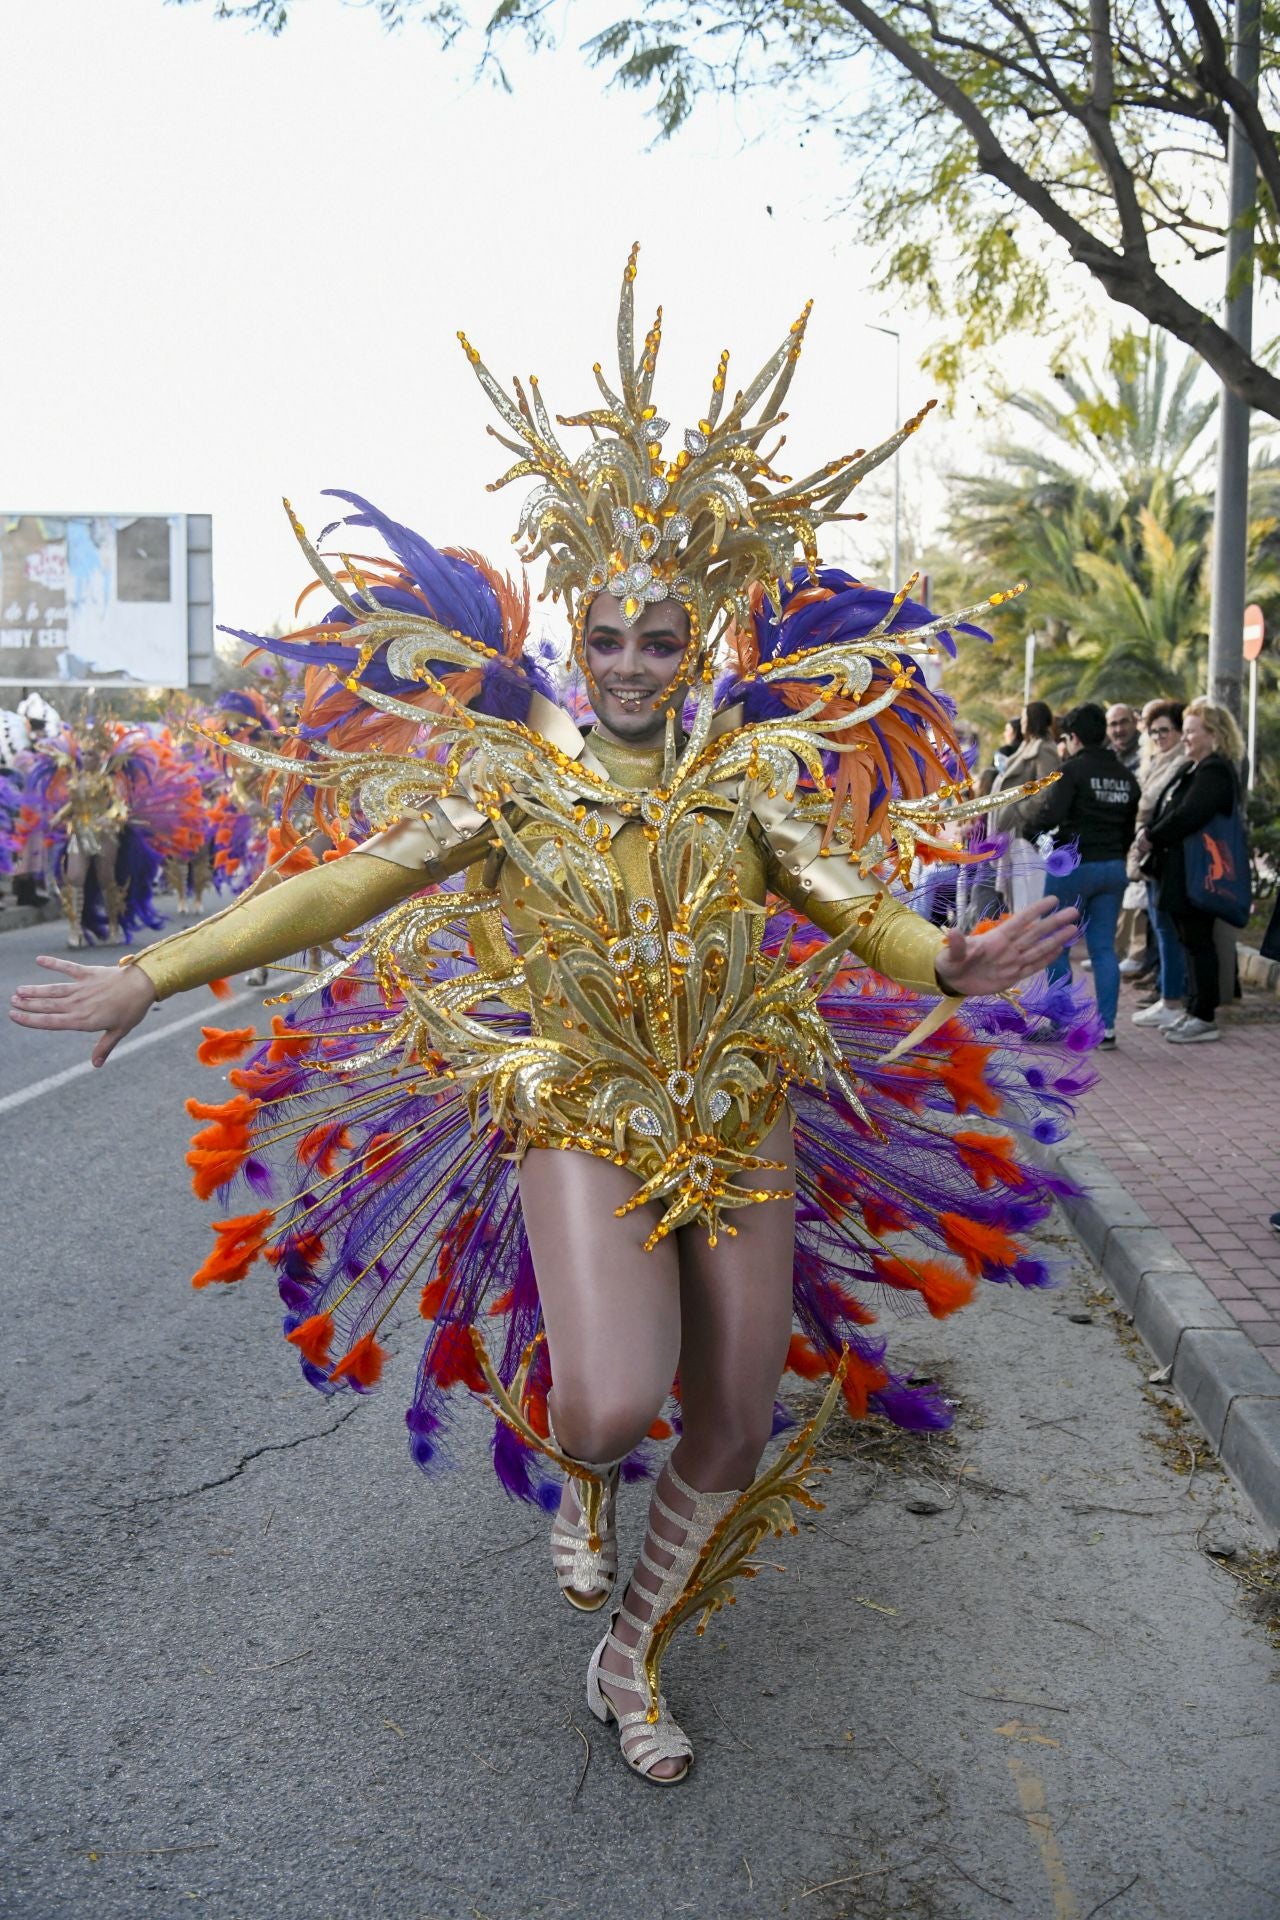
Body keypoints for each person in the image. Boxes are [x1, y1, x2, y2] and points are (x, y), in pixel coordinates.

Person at [9, 255, 1080, 1787]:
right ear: (578, 635)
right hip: (578, 1109)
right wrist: (154, 972)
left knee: (728, 1412)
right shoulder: (509, 780)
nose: (635, 662)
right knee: (613, 1396)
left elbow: (859, 903)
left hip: (743, 1107)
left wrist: (946, 963)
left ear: (696, 644)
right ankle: (582, 1475)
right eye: (612, 635)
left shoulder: (747, 783)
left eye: (663, 638)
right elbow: (344, 890)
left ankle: (630, 1655)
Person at [1026, 702, 1139, 1047]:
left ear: (1073, 737)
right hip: (1113, 867)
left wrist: (1031, 831)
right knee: (1104, 948)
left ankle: (1059, 1023)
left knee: (1057, 944)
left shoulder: (1072, 771)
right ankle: (1107, 1029)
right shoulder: (1125, 776)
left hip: (1073, 866)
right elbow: (1129, 830)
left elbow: (1049, 815)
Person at [1136, 696, 1244, 1045]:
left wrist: (1152, 837)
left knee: (1198, 941)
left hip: (1199, 870)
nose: (1186, 737)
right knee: (1188, 939)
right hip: (1181, 868)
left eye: (1193, 731)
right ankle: (1194, 1007)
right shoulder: (1195, 768)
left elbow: (1190, 814)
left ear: (1214, 735)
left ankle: (1204, 1014)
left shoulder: (1215, 770)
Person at [1128, 702, 1188, 1029]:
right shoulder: (1155, 761)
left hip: (1163, 854)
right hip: (1147, 854)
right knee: (1158, 926)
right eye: (1154, 731)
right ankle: (1166, 993)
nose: (1160, 736)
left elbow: (1160, 809)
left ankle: (1172, 998)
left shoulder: (1180, 762)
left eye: (1166, 730)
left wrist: (1146, 832)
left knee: (1166, 928)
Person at [988, 700, 1060, 914]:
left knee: (1024, 898)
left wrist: (1019, 813)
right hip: (1010, 831)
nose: (1023, 723)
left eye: (1026, 719)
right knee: (1013, 897)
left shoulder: (1044, 750)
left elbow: (1046, 790)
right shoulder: (1025, 747)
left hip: (1023, 833)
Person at [1105, 703, 1142, 774]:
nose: (1119, 729)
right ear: (1106, 729)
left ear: (1135, 722)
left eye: (1124, 722)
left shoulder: (1149, 751)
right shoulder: (1104, 757)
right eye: (1113, 724)